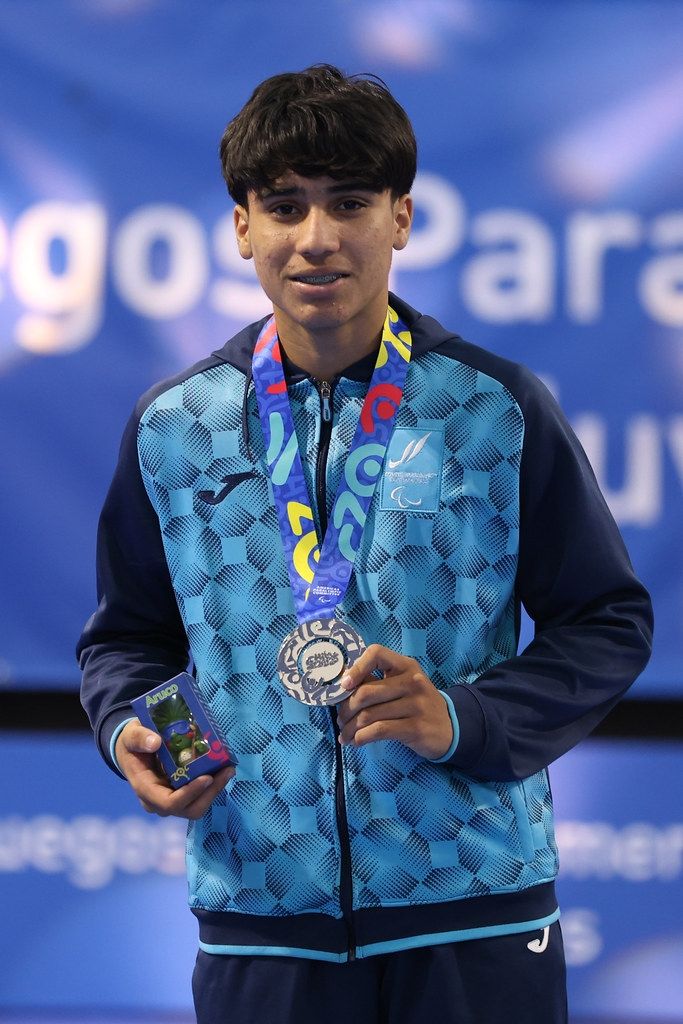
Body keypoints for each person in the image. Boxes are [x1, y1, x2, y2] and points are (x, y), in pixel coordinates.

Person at [78, 64, 653, 1024]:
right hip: (261, 919)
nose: (316, 237)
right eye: (284, 206)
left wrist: (465, 718)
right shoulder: (176, 426)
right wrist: (148, 734)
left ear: (401, 219)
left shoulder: (493, 409)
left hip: (473, 911)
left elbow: (605, 621)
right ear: (243, 227)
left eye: (349, 202)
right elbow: (129, 639)